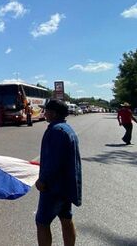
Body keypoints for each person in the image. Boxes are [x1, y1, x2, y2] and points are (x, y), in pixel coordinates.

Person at [35, 99, 82, 246]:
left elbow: (53, 161)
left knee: (42, 222)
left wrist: (42, 180)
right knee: (66, 219)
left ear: (54, 113)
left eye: (46, 110)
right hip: (66, 185)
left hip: (54, 187)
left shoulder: (56, 131)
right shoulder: (67, 129)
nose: (44, 113)